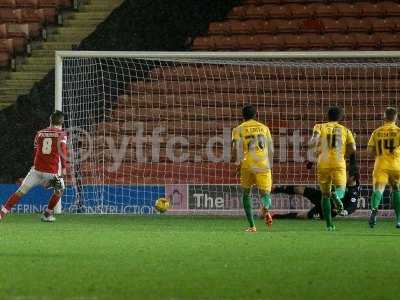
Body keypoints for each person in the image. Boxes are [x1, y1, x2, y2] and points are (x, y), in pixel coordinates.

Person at [0, 110, 69, 222]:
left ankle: (2, 213)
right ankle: (47, 214)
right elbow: (63, 152)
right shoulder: (62, 134)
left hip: (36, 170)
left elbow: (36, 151)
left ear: (50, 121)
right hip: (52, 171)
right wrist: (65, 167)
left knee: (20, 191)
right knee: (60, 190)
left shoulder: (39, 133)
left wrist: (36, 165)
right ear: (62, 122)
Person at [308, 106, 356, 231]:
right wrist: (345, 154)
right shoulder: (345, 130)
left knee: (325, 195)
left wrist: (312, 155)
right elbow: (353, 148)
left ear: (327, 116)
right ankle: (337, 196)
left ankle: (329, 225)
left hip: (323, 162)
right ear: (340, 118)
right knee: (340, 189)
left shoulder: (319, 126)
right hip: (338, 162)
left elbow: (313, 141)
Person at [232, 104, 274, 232]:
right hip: (263, 164)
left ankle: (252, 226)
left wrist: (237, 164)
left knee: (246, 194)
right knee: (265, 193)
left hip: (247, 163)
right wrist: (269, 165)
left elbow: (236, 149)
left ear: (242, 116)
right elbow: (271, 149)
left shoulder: (238, 129)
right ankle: (265, 208)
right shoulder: (264, 128)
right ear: (255, 115)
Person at [367, 107, 400, 229]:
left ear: (384, 117)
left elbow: (369, 151)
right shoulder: (398, 131)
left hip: (380, 165)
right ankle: (399, 220)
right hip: (396, 165)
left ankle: (374, 210)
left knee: (378, 190)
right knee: (396, 189)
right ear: (395, 118)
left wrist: (380, 153)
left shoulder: (376, 132)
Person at [272, 175, 360, 220]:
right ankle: (275, 189)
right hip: (322, 196)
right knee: (299, 189)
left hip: (328, 211)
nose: (344, 175)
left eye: (347, 174)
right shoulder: (341, 180)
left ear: (353, 177)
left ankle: (277, 216)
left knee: (303, 216)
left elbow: (352, 206)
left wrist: (345, 212)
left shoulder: (354, 192)